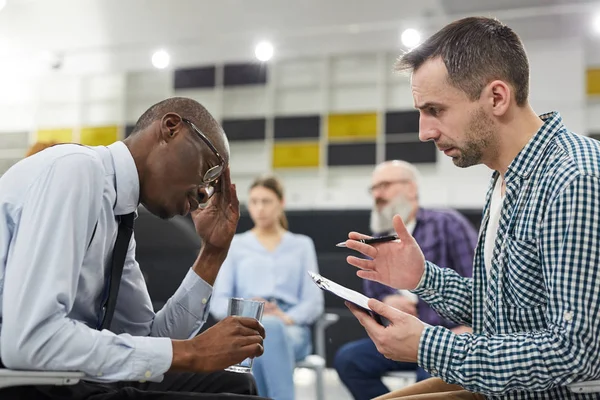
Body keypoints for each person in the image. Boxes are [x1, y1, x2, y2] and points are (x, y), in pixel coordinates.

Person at [343, 16, 600, 400]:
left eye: (436, 110)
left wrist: (430, 346)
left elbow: (578, 352)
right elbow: (501, 311)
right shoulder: (506, 177)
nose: (424, 131)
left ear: (497, 97)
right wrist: (422, 277)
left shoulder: (573, 178)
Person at [0, 97, 269, 400]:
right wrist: (193, 352)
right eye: (209, 170)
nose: (205, 192)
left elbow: (148, 341)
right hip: (23, 380)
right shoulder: (77, 170)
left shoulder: (120, 214)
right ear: (171, 128)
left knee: (236, 385)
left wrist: (212, 253)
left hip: (63, 375)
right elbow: (31, 341)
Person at [334, 160, 476, 400]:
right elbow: (372, 289)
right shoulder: (377, 238)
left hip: (446, 335)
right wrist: (387, 300)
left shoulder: (447, 224)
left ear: (411, 188)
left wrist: (470, 327)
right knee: (349, 360)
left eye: (385, 185)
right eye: (374, 189)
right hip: (400, 334)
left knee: (430, 374)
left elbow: (476, 278)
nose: (377, 194)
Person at [211, 175, 324, 400]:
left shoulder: (302, 245)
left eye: (266, 201)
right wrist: (250, 314)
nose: (259, 208)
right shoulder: (237, 245)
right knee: (259, 338)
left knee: (268, 333)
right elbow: (218, 301)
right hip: (247, 326)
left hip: (291, 328)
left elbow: (313, 301)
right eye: (254, 202)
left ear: (281, 203)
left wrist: (284, 318)